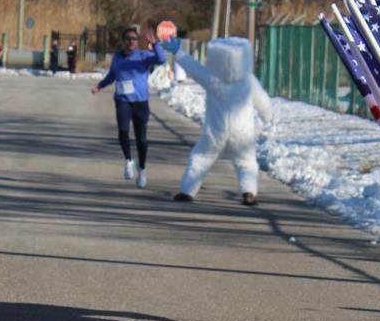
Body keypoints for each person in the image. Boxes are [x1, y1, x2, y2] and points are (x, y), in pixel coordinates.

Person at [171, 36, 272, 206]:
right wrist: (267, 116)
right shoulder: (248, 81)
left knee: (201, 157)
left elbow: (193, 68)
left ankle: (187, 191)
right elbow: (262, 101)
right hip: (243, 131)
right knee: (246, 162)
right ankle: (249, 192)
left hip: (216, 130)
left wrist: (178, 52)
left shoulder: (212, 80)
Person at [91, 26, 167, 188]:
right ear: (123, 41)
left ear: (137, 41)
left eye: (134, 39)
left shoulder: (144, 56)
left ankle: (142, 168)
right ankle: (128, 161)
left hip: (140, 102)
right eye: (128, 39)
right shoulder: (117, 57)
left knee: (142, 139)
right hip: (122, 100)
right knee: (123, 131)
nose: (131, 41)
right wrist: (100, 86)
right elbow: (112, 75)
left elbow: (161, 60)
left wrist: (155, 44)